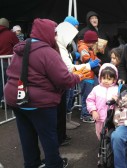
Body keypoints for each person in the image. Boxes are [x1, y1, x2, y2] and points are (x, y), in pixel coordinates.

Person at [4, 18, 91, 168]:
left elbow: (12, 72)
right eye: (54, 33)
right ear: (47, 33)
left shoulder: (21, 48)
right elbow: (63, 79)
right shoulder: (47, 52)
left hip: (16, 98)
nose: (56, 36)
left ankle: (32, 164)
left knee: (27, 135)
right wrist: (78, 77)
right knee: (48, 136)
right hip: (40, 103)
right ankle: (54, 164)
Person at [86, 63, 119, 140]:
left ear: (114, 79)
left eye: (109, 79)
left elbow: (122, 103)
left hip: (113, 119)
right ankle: (102, 148)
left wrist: (117, 99)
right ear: (100, 78)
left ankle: (110, 149)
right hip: (99, 118)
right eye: (104, 78)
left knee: (112, 135)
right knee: (100, 134)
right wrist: (93, 111)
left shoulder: (117, 89)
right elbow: (90, 100)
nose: (106, 81)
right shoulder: (96, 89)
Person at [77, 30, 101, 123]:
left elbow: (93, 58)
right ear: (90, 41)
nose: (94, 44)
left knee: (90, 95)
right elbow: (86, 59)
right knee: (87, 96)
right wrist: (96, 64)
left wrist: (98, 62)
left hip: (91, 75)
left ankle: (88, 113)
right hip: (85, 76)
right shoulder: (83, 47)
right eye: (94, 42)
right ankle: (85, 115)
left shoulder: (88, 47)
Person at [0, 18, 19, 106]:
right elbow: (18, 46)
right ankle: (5, 101)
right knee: (7, 81)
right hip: (5, 62)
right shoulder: (10, 34)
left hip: (3, 61)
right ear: (7, 25)